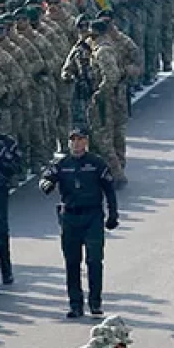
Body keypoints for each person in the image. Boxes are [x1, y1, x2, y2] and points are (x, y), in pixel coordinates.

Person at [38, 128, 119, 319]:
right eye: (73, 140)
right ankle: (75, 304)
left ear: (86, 142)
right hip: (70, 218)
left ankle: (95, 303)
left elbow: (109, 188)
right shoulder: (61, 163)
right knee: (72, 262)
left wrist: (113, 213)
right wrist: (46, 184)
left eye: (80, 139)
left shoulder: (96, 163)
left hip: (92, 217)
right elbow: (45, 178)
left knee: (94, 260)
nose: (76, 143)